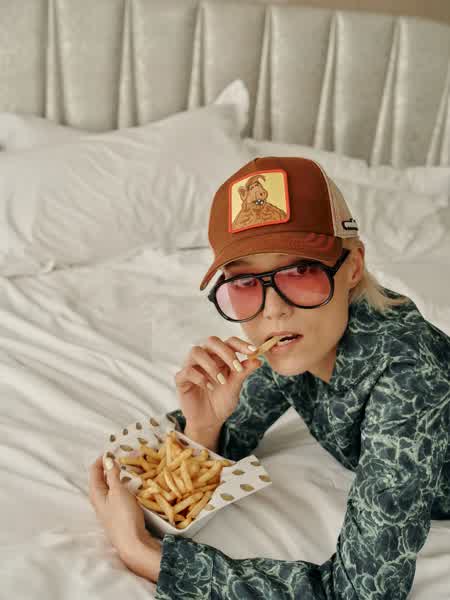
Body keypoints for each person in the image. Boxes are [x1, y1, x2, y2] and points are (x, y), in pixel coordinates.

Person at [89, 156, 450, 599]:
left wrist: (144, 553)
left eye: (301, 271)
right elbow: (232, 438)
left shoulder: (410, 379)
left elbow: (359, 591)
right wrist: (205, 425)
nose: (273, 309)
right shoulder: (300, 338)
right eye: (245, 282)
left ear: (353, 266)